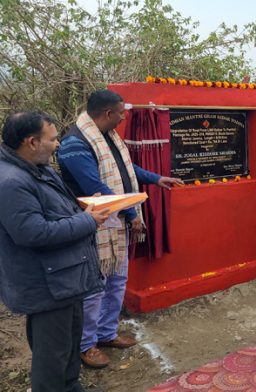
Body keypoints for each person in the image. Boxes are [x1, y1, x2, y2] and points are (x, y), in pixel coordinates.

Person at [57, 90, 183, 369]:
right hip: (92, 225)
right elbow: (96, 188)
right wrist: (130, 213)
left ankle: (106, 333)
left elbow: (126, 169)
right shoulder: (75, 144)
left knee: (116, 281)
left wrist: (156, 178)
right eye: (121, 112)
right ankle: (86, 345)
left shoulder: (108, 136)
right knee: (95, 287)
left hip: (116, 222)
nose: (125, 116)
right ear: (107, 114)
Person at [0, 111, 109, 391]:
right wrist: (88, 220)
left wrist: (83, 206)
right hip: (46, 286)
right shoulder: (11, 182)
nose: (58, 144)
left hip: (65, 278)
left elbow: (56, 209)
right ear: (32, 142)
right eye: (53, 138)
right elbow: (32, 232)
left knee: (69, 347)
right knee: (52, 356)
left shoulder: (39, 168)